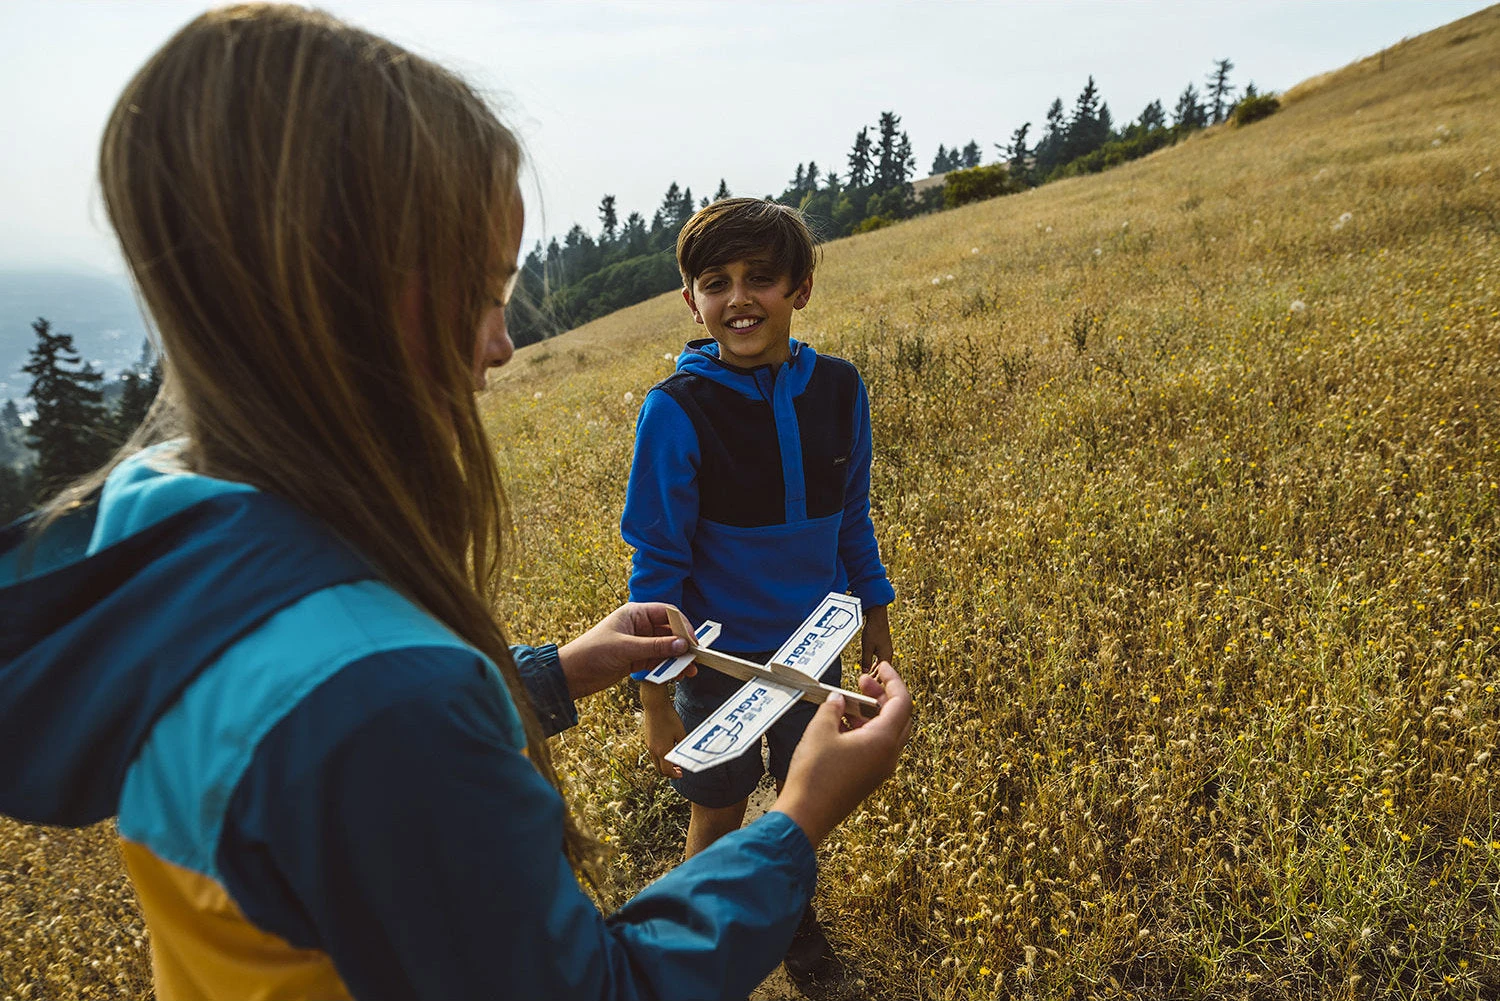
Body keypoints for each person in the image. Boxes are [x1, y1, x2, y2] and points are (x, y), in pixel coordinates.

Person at [0, 6, 912, 1000]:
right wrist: (798, 822)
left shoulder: (173, 525)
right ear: (335, 290)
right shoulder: (384, 701)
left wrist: (552, 674)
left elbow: (302, 750)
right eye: (484, 292)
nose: (502, 344)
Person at [623, 198, 897, 987]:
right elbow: (656, 565)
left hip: (814, 650)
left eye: (761, 279)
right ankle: (685, 955)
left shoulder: (841, 390)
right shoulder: (675, 410)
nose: (738, 298)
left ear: (800, 288)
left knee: (800, 802)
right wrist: (656, 696)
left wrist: (873, 612)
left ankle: (794, 930)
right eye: (717, 282)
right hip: (719, 667)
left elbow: (852, 514)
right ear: (690, 299)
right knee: (718, 809)